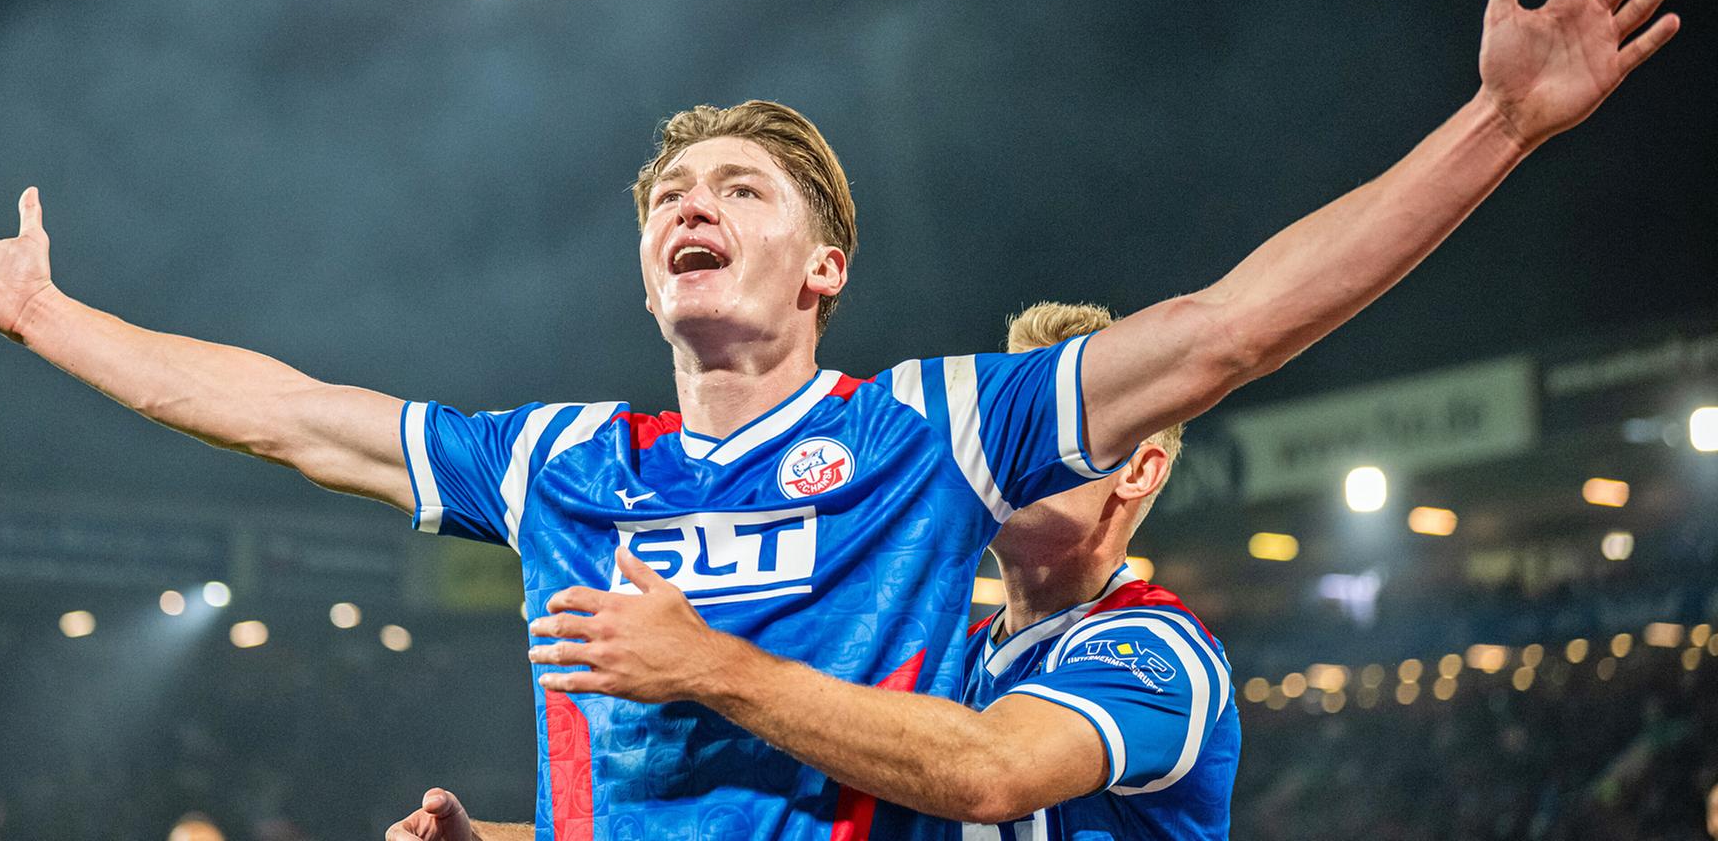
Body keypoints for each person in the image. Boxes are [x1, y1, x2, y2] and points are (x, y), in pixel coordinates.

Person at [0, 0, 1684, 841]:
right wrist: (46, 320)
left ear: (826, 268)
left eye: (736, 185)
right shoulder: (570, 460)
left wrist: (1496, 132)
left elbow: (1230, 327)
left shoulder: (930, 432)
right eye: (667, 191)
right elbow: (288, 412)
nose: (688, 201)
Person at [522, 302, 1232, 839]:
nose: (1017, 450)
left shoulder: (1157, 648)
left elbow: (993, 772)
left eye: (1057, 436)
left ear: (1138, 469)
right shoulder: (954, 650)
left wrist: (712, 664)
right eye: (1019, 424)